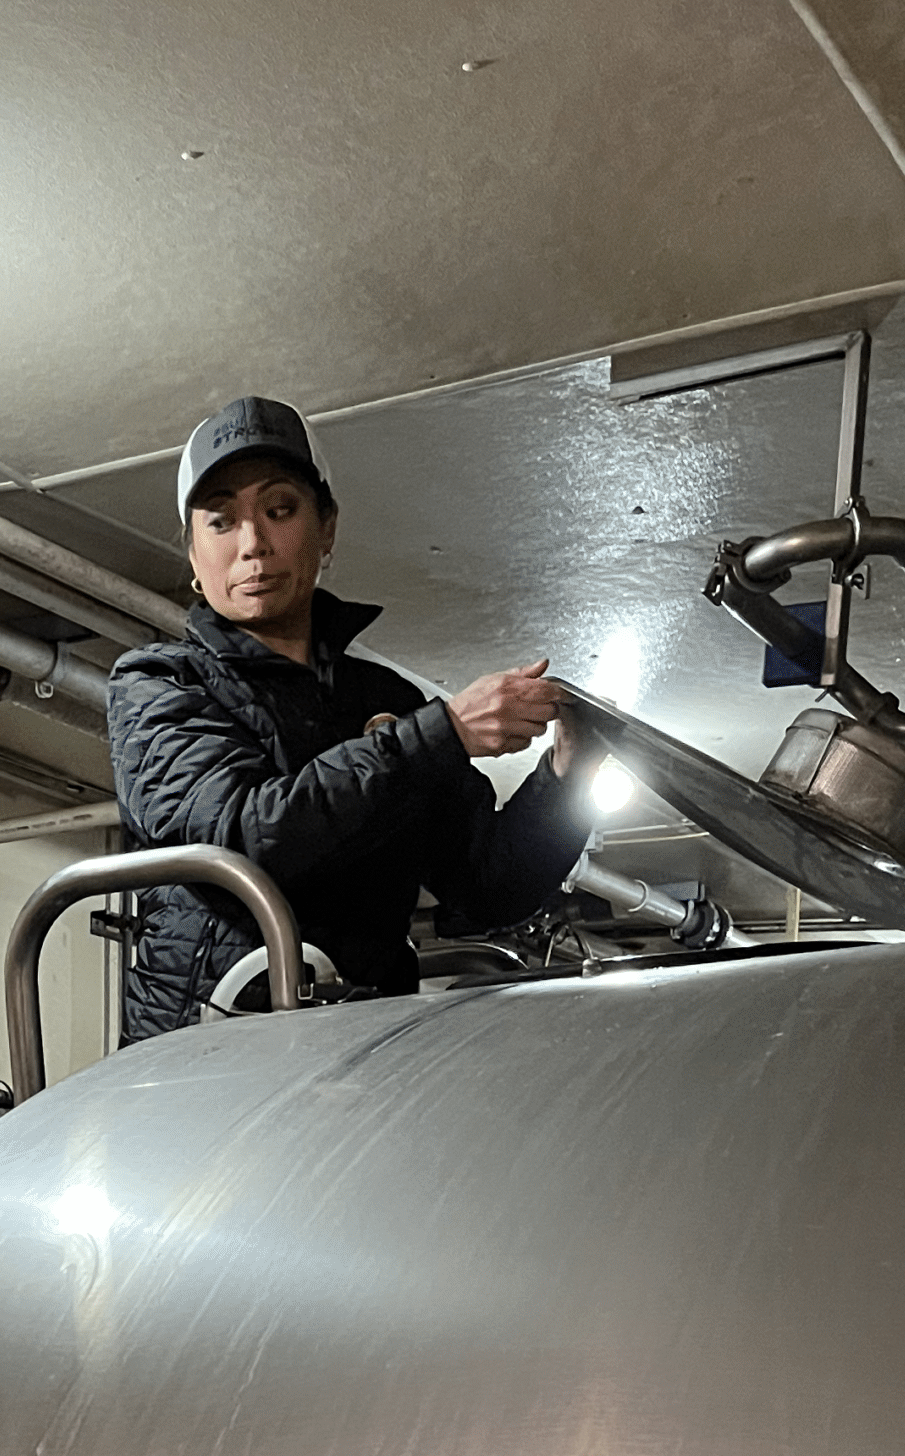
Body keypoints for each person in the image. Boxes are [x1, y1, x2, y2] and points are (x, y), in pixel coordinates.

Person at [106, 393, 594, 1038]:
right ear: (194, 556)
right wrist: (436, 736)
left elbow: (487, 887)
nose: (253, 544)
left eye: (280, 510)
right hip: (203, 1060)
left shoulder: (381, 699)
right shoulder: (160, 684)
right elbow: (239, 841)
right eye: (221, 523)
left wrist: (566, 777)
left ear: (326, 528)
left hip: (355, 1054)